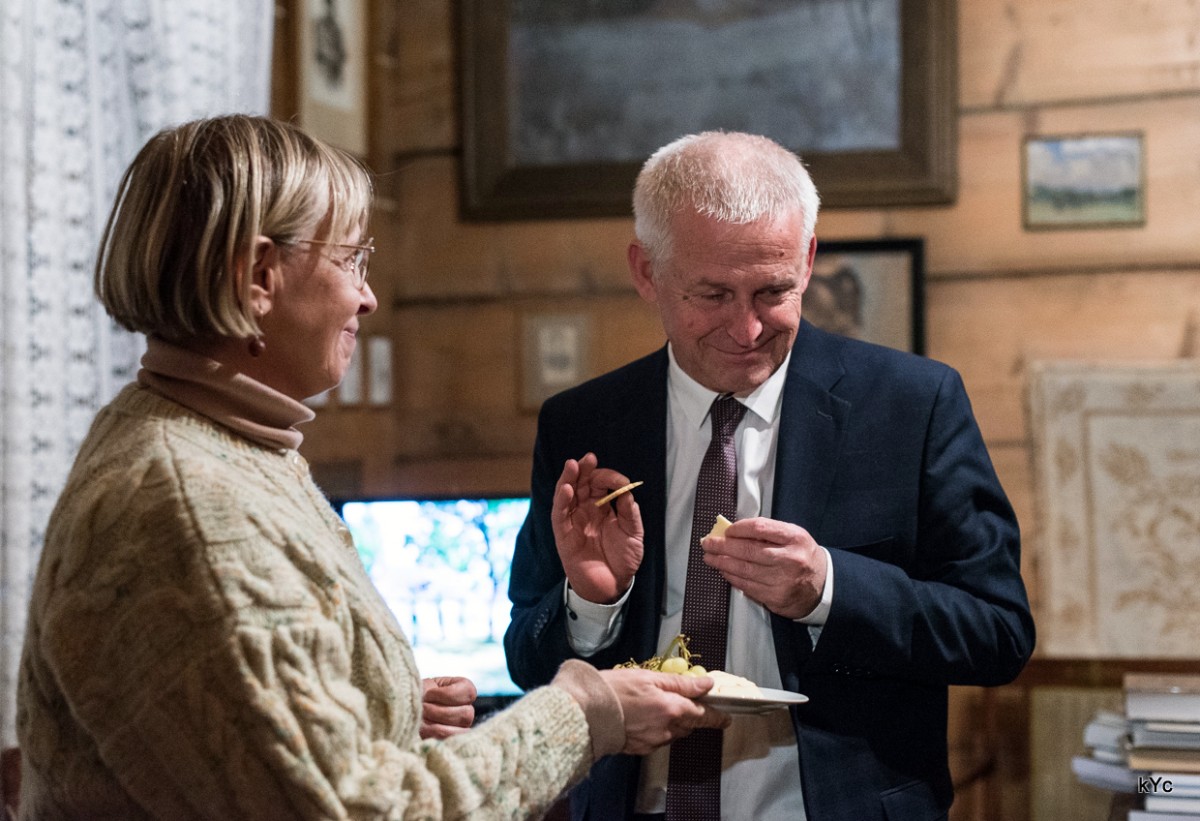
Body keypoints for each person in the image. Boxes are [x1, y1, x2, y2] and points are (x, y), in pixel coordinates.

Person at [14, 115, 729, 820]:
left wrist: (383, 712)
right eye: (351, 260)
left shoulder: (224, 446)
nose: (368, 296)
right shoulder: (191, 507)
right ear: (258, 276)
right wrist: (586, 712)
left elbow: (246, 741)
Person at [504, 131, 1036, 821]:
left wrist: (829, 589)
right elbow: (526, 660)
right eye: (713, 294)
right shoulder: (584, 423)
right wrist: (592, 602)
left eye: (773, 291)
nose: (748, 329)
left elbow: (999, 632)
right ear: (646, 272)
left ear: (807, 261)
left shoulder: (913, 406)